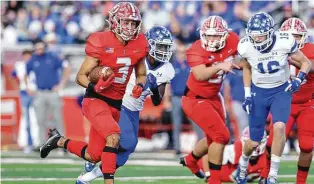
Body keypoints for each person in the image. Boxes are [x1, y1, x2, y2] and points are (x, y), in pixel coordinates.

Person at [39, 2, 148, 184]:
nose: (130, 27)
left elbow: (142, 73)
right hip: (96, 99)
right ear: (115, 22)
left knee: (93, 155)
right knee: (113, 136)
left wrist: (140, 84)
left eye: (133, 23)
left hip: (116, 103)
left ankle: (58, 141)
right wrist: (95, 86)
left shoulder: (140, 44)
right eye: (125, 22)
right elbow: (80, 76)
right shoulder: (101, 41)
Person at [76, 25, 175, 184]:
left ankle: (87, 175)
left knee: (125, 150)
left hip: (134, 109)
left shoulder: (167, 69)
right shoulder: (135, 56)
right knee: (127, 141)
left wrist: (155, 88)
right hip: (118, 102)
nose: (163, 50)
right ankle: (93, 166)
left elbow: (157, 101)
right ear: (149, 44)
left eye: (166, 47)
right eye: (160, 46)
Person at [235, 13, 312, 184]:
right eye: (254, 35)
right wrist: (247, 95)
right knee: (254, 142)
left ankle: (272, 176)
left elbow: (306, 62)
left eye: (261, 35)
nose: (258, 39)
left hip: (281, 91)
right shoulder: (246, 46)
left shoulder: (285, 42)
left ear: (270, 32)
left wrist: (299, 78)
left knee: (279, 127)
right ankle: (242, 163)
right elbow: (246, 67)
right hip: (259, 92)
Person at [179, 15, 240, 184]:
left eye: (216, 35)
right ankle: (214, 180)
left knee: (214, 137)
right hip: (194, 98)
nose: (212, 39)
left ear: (225, 35)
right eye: (209, 35)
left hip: (214, 96)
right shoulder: (196, 49)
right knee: (222, 136)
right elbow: (200, 74)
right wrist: (220, 65)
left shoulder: (233, 40)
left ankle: (191, 160)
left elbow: (245, 52)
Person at [260, 17, 314, 184]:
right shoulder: (274, 49)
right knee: (271, 143)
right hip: (284, 102)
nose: (293, 39)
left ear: (303, 37)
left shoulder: (310, 50)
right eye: (289, 35)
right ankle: (265, 174)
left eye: (297, 36)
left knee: (306, 146)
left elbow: (311, 65)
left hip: (307, 104)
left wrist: (291, 59)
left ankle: (300, 182)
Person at [24, 40, 71, 148]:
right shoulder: (33, 59)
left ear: (44, 47)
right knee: (40, 119)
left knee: (57, 118)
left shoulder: (52, 57)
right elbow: (25, 73)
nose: (39, 50)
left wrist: (62, 84)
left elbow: (67, 68)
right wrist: (27, 87)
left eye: (41, 48)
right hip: (39, 92)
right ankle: (42, 144)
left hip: (53, 92)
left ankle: (62, 143)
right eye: (37, 48)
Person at [198, 127, 267, 183]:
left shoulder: (265, 155)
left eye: (258, 142)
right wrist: (208, 175)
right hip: (203, 166)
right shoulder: (234, 150)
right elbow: (207, 156)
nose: (254, 146)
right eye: (250, 142)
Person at [170, 43, 203, 155]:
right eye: (180, 52)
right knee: (176, 123)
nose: (182, 55)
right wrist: (166, 99)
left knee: (196, 122)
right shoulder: (173, 65)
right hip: (176, 97)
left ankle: (201, 145)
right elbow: (167, 83)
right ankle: (177, 148)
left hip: (190, 97)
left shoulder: (190, 65)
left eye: (184, 52)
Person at [11, 50, 38, 153]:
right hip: (24, 93)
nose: (27, 57)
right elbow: (13, 76)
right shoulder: (20, 65)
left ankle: (38, 142)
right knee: (26, 119)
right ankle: (29, 143)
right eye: (25, 56)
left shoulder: (36, 63)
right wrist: (17, 87)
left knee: (38, 119)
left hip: (36, 92)